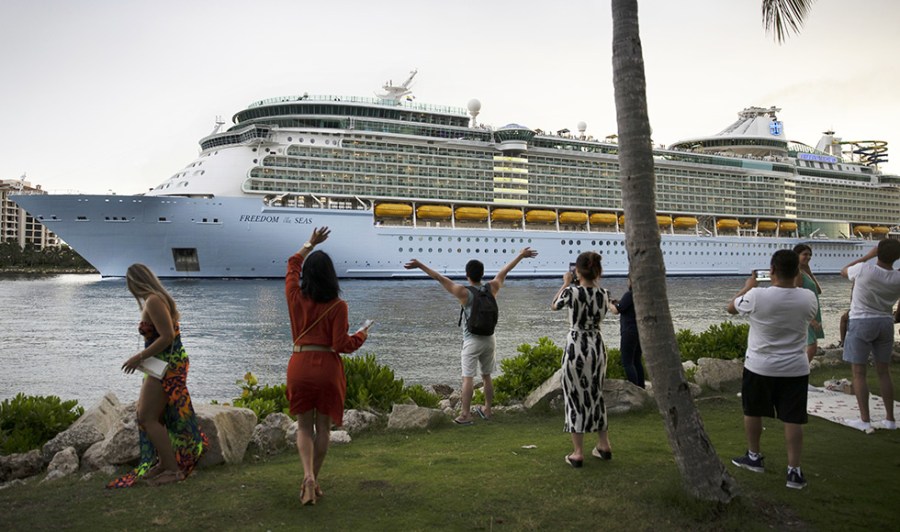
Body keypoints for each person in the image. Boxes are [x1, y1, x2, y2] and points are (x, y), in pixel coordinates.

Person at [404, 247, 538, 425]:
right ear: (482, 274)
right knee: (487, 376)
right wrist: (521, 255)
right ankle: (487, 409)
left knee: (468, 378)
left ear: (467, 275)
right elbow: (505, 270)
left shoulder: (463, 292)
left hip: (472, 340)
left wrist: (420, 264)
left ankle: (465, 414)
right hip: (490, 339)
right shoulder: (492, 287)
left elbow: (439, 278)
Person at [286, 227, 370, 505]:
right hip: (326, 369)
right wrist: (361, 336)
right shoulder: (338, 305)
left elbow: (292, 264)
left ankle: (308, 476)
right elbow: (340, 345)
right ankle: (313, 479)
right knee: (323, 429)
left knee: (302, 427)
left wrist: (310, 243)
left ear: (307, 276)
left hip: (299, 363)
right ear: (331, 276)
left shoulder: (295, 297)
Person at [109, 264, 207, 488]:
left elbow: (167, 336)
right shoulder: (155, 299)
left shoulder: (153, 300)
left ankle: (173, 471)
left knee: (147, 417)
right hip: (161, 364)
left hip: (166, 365)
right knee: (156, 415)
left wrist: (138, 357)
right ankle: (165, 462)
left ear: (135, 282)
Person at [727, 250, 818, 490]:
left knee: (753, 411)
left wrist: (747, 287)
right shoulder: (808, 298)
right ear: (797, 271)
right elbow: (805, 313)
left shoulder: (757, 295)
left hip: (760, 366)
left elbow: (730, 308)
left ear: (772, 270)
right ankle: (794, 472)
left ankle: (754, 457)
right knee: (793, 418)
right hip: (796, 368)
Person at [551, 251, 613, 468]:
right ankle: (604, 445)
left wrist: (565, 284)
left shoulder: (572, 292)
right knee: (596, 394)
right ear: (598, 272)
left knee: (574, 395)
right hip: (597, 346)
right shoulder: (604, 294)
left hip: (577, 346)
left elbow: (554, 305)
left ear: (577, 271)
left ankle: (578, 452)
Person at [839, 240, 900, 431]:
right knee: (884, 372)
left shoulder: (864, 269)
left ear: (877, 252)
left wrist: (868, 256)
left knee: (859, 373)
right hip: (885, 322)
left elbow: (844, 270)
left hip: (861, 322)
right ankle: (890, 419)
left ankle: (865, 420)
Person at [611, 277, 645, 388]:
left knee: (627, 362)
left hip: (628, 332)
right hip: (639, 331)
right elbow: (625, 306)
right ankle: (641, 387)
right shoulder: (641, 295)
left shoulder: (629, 294)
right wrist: (618, 303)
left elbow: (616, 310)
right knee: (636, 361)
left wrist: (608, 303)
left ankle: (634, 389)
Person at [793, 244, 824, 362]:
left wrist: (810, 272)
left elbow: (818, 291)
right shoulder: (797, 273)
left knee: (811, 345)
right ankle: (799, 374)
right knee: (811, 347)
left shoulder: (804, 272)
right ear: (796, 255)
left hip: (812, 312)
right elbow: (797, 296)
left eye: (810, 255)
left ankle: (800, 376)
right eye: (805, 254)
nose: (808, 257)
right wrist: (810, 319)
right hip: (806, 315)